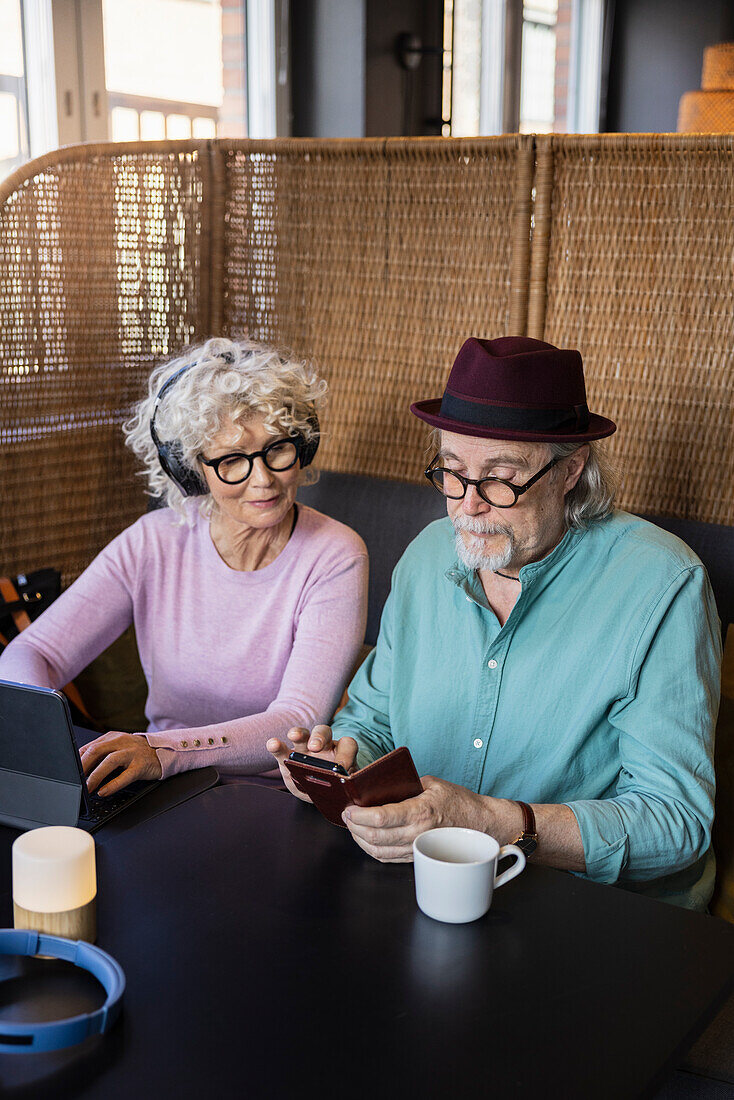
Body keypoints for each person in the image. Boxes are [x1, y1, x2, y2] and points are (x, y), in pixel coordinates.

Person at [269, 336, 722, 911]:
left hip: (589, 911)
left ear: (570, 472)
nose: (466, 506)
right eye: (452, 473)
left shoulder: (662, 584)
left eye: (500, 479)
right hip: (423, 881)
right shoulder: (428, 556)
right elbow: (375, 718)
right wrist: (343, 761)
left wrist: (492, 822)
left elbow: (674, 824)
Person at [0, 337, 368, 795]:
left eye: (277, 448)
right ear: (193, 467)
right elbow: (32, 654)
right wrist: (49, 745)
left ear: (302, 446)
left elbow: (296, 719)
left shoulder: (336, 554)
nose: (264, 479)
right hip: (155, 786)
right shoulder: (153, 539)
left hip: (269, 793)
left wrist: (161, 751)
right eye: (233, 460)